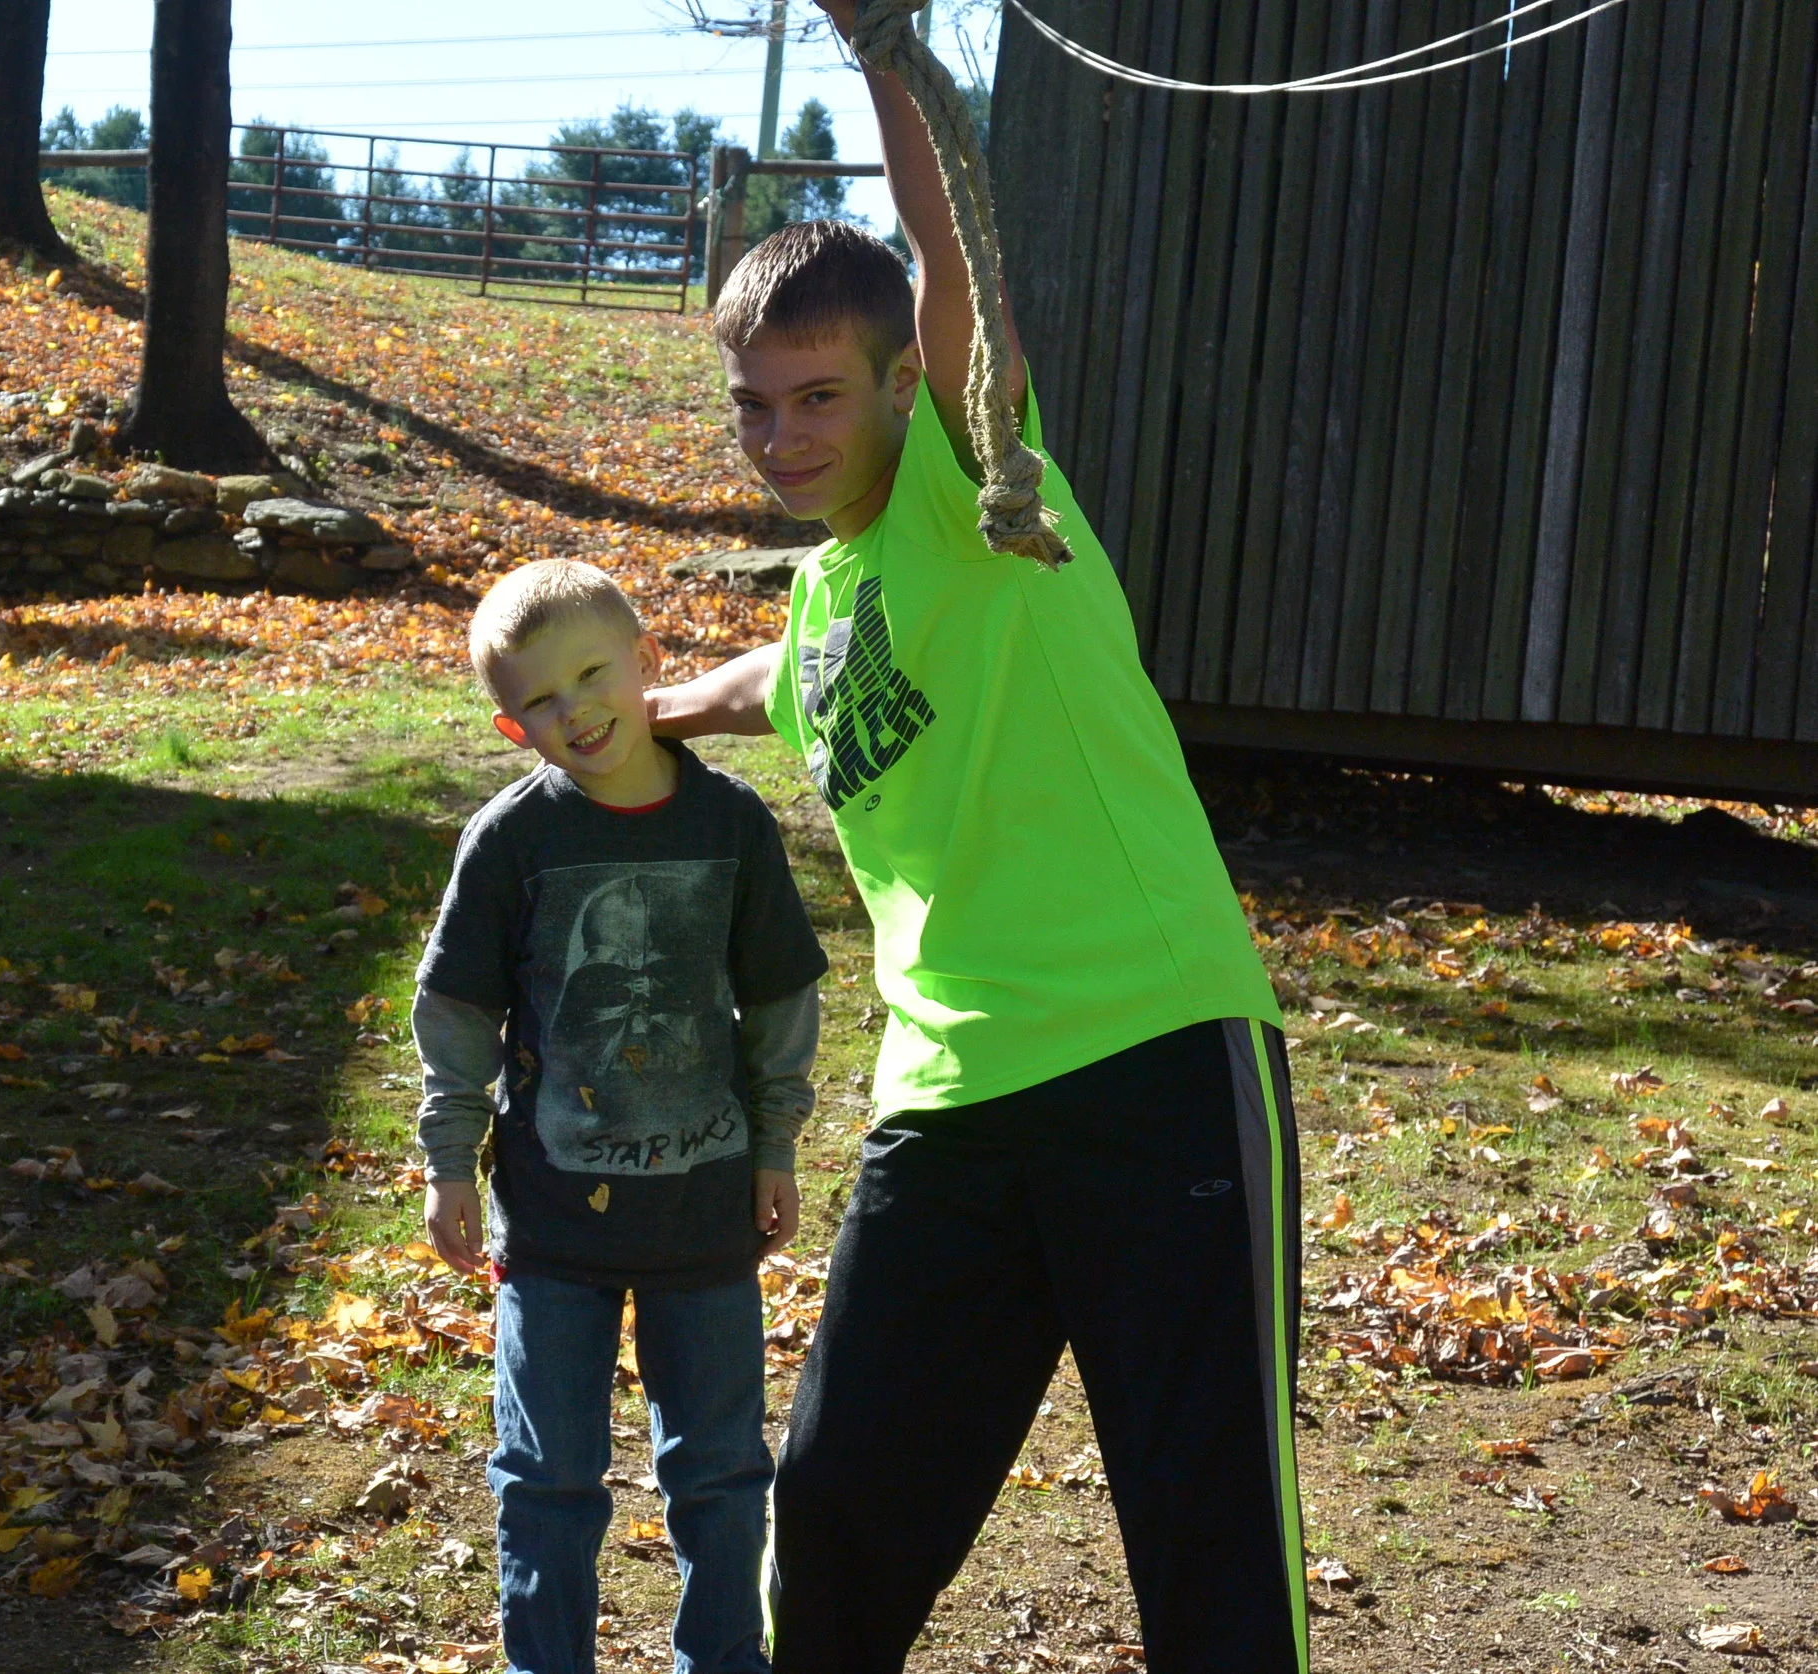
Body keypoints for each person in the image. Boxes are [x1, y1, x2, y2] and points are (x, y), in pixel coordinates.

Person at [641, 6, 1305, 1672]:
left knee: (1206, 1541)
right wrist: (640, 709)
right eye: (754, 407)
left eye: (818, 396)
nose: (786, 436)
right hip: (945, 1106)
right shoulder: (817, 611)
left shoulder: (973, 483)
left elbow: (942, 254)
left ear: (898, 386)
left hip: (1151, 1053)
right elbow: (766, 679)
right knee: (838, 1519)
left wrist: (881, 49)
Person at [412, 558, 828, 1674]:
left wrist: (776, 1141)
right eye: (542, 699)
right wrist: (450, 1160)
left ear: (647, 663)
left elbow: (781, 999)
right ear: (512, 727)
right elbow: (455, 1010)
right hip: (552, 1226)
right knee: (544, 1479)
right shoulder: (511, 841)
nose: (576, 709)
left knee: (723, 1475)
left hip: (705, 1211)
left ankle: (723, 1662)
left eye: (593, 673)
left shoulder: (731, 824)